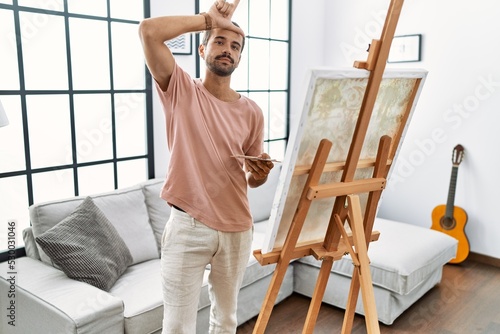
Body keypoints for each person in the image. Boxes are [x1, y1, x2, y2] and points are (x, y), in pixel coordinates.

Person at [138, 0, 274, 332]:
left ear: (240, 58)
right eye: (219, 41)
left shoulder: (252, 111)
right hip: (188, 227)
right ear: (202, 49)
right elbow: (148, 31)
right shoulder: (180, 89)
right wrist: (207, 19)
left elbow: (251, 179)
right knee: (177, 326)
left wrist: (259, 175)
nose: (228, 49)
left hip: (238, 229)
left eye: (235, 46)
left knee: (225, 320)